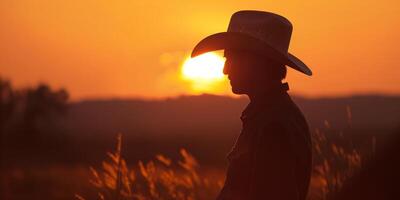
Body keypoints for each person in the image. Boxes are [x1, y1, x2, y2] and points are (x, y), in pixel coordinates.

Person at [191, 10, 313, 199]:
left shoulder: (273, 125)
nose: (225, 70)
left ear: (255, 62)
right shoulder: (270, 116)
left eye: (230, 59)